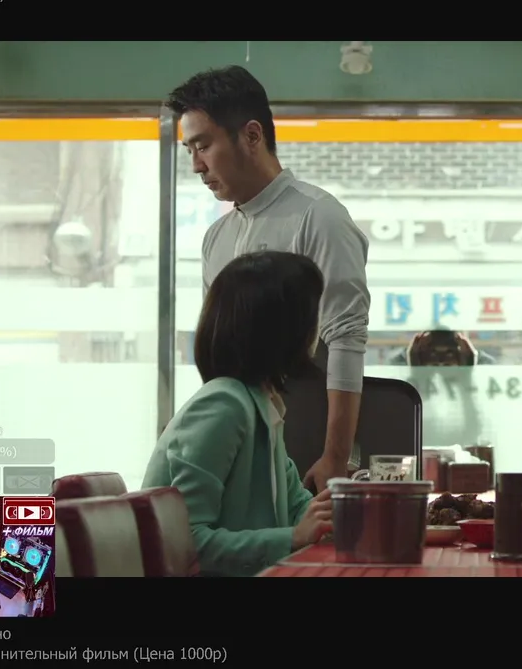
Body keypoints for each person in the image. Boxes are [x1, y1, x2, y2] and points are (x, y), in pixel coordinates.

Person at [167, 66, 370, 492]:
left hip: (308, 437)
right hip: (237, 442)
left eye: (203, 146)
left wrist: (335, 457)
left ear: (252, 135)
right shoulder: (216, 237)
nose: (196, 166)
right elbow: (218, 354)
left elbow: (346, 340)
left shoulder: (319, 217)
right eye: (189, 150)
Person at [141, 251, 335, 576]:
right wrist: (294, 536)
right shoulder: (224, 405)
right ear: (285, 326)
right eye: (313, 312)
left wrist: (343, 511)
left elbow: (297, 508)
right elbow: (185, 543)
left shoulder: (263, 404)